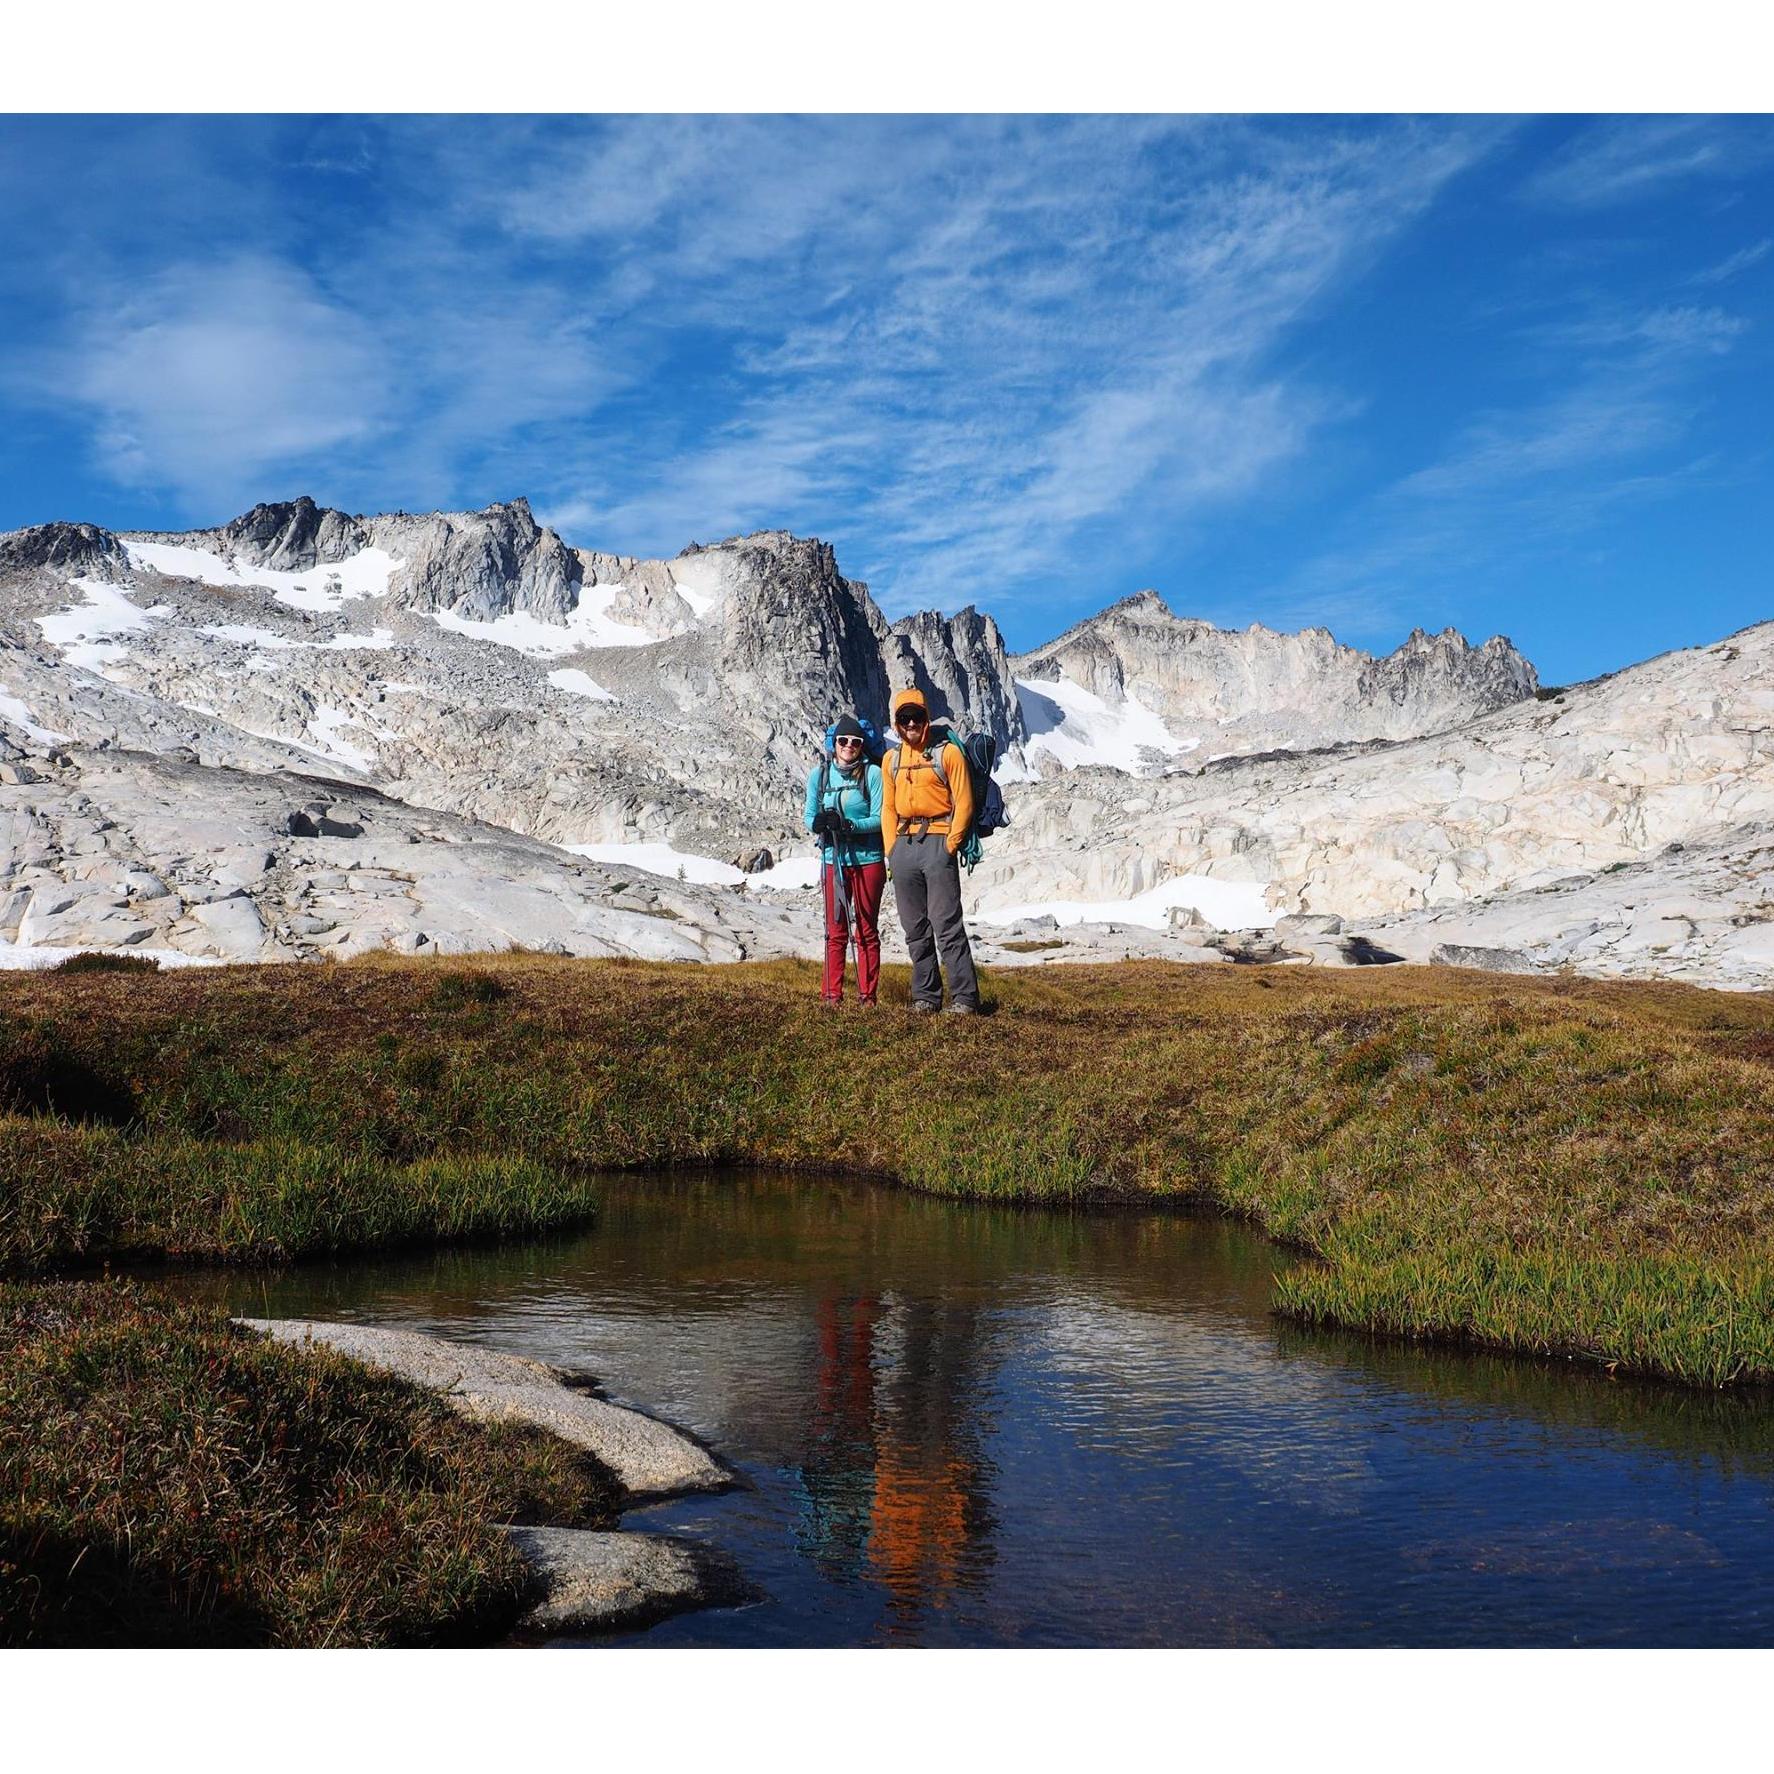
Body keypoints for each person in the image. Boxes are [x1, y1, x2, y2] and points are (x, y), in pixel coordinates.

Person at [880, 688, 981, 1014]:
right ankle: (926, 997)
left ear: (926, 718)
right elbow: (887, 808)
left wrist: (951, 844)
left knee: (946, 923)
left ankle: (965, 999)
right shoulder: (891, 759)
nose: (911, 723)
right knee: (915, 928)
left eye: (916, 717)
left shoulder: (948, 753)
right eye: (904, 718)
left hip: (939, 841)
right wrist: (891, 850)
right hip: (903, 846)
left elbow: (964, 801)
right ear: (896, 723)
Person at [806, 715, 886, 1006]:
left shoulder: (873, 774)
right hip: (833, 860)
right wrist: (819, 823)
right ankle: (831, 996)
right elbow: (808, 816)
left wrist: (850, 826)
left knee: (866, 930)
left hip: (868, 860)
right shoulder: (820, 775)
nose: (849, 746)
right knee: (835, 931)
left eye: (855, 742)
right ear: (834, 744)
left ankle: (867, 997)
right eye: (843, 741)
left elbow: (880, 818)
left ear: (862, 746)